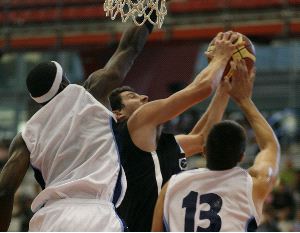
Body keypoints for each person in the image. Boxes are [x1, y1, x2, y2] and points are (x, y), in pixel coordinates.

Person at [0, 16, 156, 231]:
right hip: (95, 214)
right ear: (64, 80)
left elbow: (5, 190)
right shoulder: (91, 92)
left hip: (49, 219)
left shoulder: (26, 136)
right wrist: (147, 17)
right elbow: (128, 48)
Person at [109, 31, 239, 231]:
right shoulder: (135, 123)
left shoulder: (155, 146)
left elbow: (203, 139)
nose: (143, 97)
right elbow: (202, 88)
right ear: (118, 114)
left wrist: (223, 90)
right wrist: (220, 58)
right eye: (132, 96)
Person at [151, 60, 281, 232]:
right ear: (242, 156)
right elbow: (270, 146)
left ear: (204, 151)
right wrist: (244, 101)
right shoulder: (254, 185)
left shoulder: (172, 185)